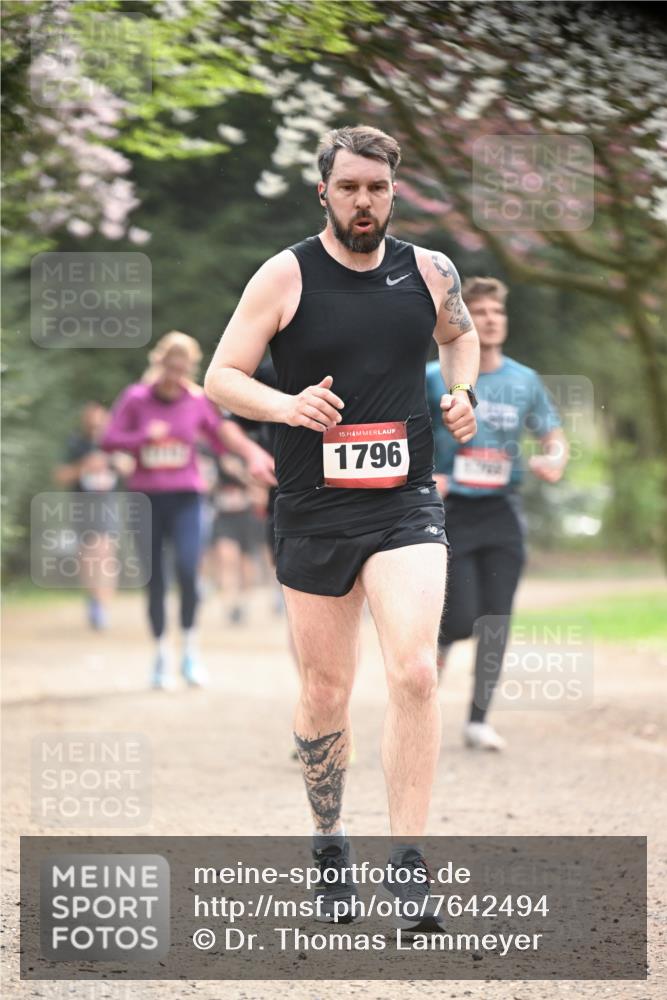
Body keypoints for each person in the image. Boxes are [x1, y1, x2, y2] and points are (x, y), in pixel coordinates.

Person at [205, 125, 479, 928]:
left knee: (415, 672)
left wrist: (461, 395)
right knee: (326, 689)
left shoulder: (430, 271)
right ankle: (329, 842)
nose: (365, 201)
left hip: (403, 503)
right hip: (314, 507)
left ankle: (408, 863)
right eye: (350, 186)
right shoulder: (284, 275)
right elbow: (221, 376)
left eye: (379, 188)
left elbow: (457, 336)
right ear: (322, 190)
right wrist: (286, 406)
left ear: (394, 192)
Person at [426, 277, 569, 751]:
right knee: (462, 616)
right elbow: (408, 431)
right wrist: (429, 477)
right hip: (453, 511)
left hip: (504, 510)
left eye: (497, 313)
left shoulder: (523, 380)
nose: (490, 319)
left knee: (498, 619)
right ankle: (429, 679)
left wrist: (555, 456)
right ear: (464, 319)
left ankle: (477, 720)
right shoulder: (433, 376)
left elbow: (552, 433)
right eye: (480, 311)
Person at [102, 331, 275, 689]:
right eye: (170, 367)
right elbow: (110, 439)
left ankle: (190, 651)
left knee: (186, 569)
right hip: (147, 499)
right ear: (160, 363)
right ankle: (161, 655)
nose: (174, 376)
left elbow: (219, 437)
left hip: (187, 497)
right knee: (154, 579)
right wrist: (143, 437)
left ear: (189, 369)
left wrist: (246, 463)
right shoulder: (136, 398)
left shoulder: (196, 400)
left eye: (182, 369)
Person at [54, 401, 132, 630]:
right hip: (82, 508)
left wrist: (114, 459)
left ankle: (102, 605)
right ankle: (94, 598)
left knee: (105, 553)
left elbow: (130, 467)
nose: (96, 426)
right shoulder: (75, 445)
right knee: (87, 558)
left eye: (101, 422)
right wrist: (84, 466)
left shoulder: (116, 444)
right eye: (92, 422)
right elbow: (60, 476)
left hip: (107, 507)